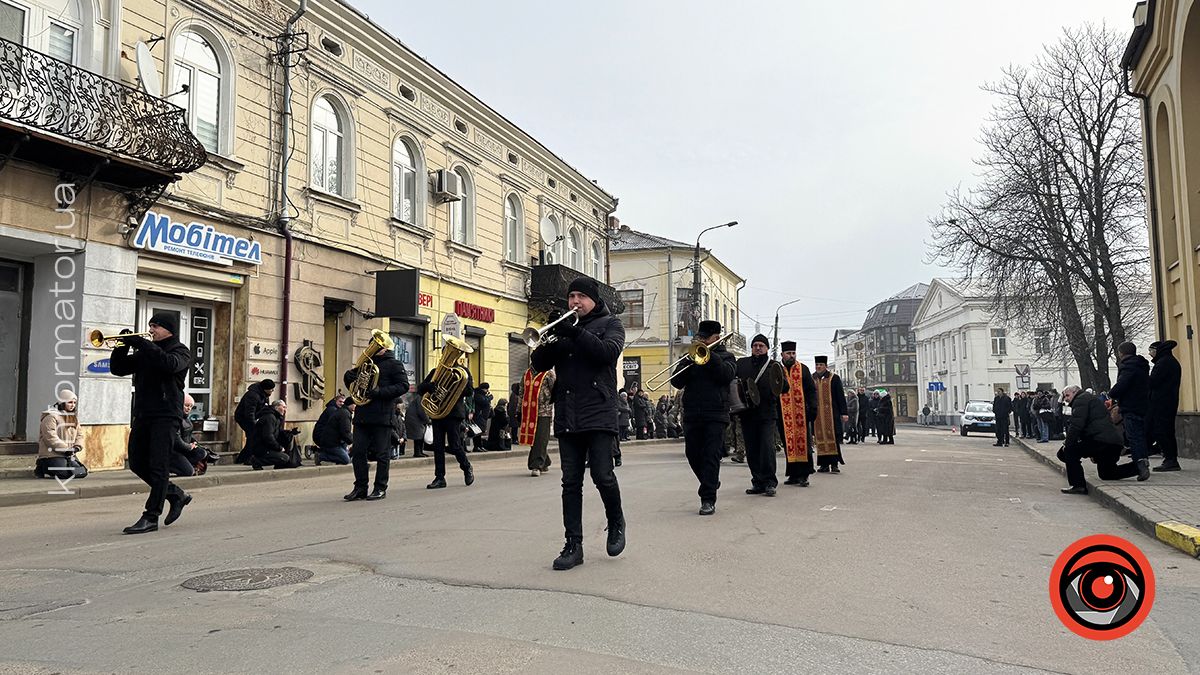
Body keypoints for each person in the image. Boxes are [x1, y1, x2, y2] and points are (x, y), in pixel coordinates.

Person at [530, 277, 626, 570]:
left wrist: (572, 332)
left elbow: (606, 353)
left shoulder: (612, 325)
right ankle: (573, 545)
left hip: (598, 412)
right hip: (568, 413)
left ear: (594, 300)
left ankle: (616, 521)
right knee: (570, 483)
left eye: (581, 297)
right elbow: (540, 363)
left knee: (602, 475)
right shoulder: (564, 330)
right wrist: (552, 337)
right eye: (571, 296)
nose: (575, 302)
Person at [108, 314, 193, 534]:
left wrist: (141, 343)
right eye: (150, 326)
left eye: (155, 326)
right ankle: (175, 494)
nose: (151, 329)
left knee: (159, 465)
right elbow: (118, 368)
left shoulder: (180, 351)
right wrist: (121, 346)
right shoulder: (147, 351)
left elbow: (168, 365)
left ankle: (151, 516)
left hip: (166, 415)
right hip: (144, 413)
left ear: (168, 329)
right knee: (137, 462)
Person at [670, 320, 736, 515]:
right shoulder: (690, 357)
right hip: (692, 413)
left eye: (703, 339)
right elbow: (676, 381)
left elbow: (726, 376)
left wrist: (710, 355)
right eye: (699, 338)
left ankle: (707, 498)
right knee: (692, 454)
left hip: (716, 414)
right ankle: (711, 481)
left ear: (715, 338)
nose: (699, 341)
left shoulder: (727, 357)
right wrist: (690, 361)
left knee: (711, 455)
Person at [342, 339, 410, 501]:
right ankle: (360, 487)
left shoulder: (395, 364)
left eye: (378, 346)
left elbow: (403, 386)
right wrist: (348, 377)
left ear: (385, 348)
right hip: (363, 415)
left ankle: (380, 488)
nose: (374, 348)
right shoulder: (366, 363)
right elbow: (354, 387)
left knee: (382, 454)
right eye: (372, 345)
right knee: (358, 452)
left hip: (382, 415)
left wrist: (379, 392)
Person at [1058, 385, 1147, 494]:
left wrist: (1068, 444)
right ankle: (1138, 467)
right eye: (1064, 397)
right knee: (1107, 473)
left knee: (1068, 452)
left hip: (1101, 440)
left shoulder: (1080, 400)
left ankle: (1078, 485)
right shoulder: (1089, 398)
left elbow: (1076, 425)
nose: (1066, 399)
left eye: (1067, 395)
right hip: (1112, 442)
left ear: (1075, 392)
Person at [734, 334, 788, 496]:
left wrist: (780, 382)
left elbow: (785, 388)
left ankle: (770, 482)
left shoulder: (774, 366)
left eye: (761, 345)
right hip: (747, 413)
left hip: (767, 414)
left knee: (767, 448)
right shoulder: (742, 364)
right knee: (752, 449)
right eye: (755, 345)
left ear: (767, 348)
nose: (758, 348)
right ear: (752, 347)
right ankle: (757, 481)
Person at [417, 352, 474, 490]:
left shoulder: (463, 371)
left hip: (453, 413)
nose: (448, 357)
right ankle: (440, 477)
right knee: (438, 446)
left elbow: (470, 391)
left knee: (455, 445)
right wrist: (429, 386)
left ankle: (467, 468)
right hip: (438, 413)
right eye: (447, 354)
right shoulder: (435, 372)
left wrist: (454, 387)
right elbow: (420, 389)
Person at [1108, 342, 1152, 481]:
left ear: (1121, 353)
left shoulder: (1128, 366)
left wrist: (1112, 393)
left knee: (1134, 437)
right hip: (1142, 404)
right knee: (1139, 435)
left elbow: (1122, 384)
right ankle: (1144, 462)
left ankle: (1140, 466)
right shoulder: (1141, 365)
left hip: (1130, 406)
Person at [778, 342, 817, 486]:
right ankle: (793, 474)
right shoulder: (777, 369)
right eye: (788, 353)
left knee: (803, 444)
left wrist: (812, 409)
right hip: (783, 413)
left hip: (801, 413)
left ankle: (804, 474)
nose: (791, 356)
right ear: (782, 354)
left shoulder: (803, 369)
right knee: (788, 444)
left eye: (793, 353)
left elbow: (811, 391)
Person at [35, 389, 87, 480]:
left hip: (68, 455)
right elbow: (50, 437)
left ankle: (51, 467)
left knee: (81, 472)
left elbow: (80, 435)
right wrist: (65, 449)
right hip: (51, 454)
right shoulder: (51, 417)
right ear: (62, 402)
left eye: (74, 403)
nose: (73, 405)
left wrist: (77, 447)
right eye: (70, 402)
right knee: (64, 474)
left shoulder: (73, 418)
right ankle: (42, 466)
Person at [1149, 340, 1182, 472]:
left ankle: (1170, 459)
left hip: (1163, 402)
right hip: (1167, 401)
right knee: (1166, 430)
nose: (1150, 354)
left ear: (1158, 351)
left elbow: (1152, 382)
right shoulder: (1168, 361)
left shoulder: (1164, 363)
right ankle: (1170, 458)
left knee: (1162, 430)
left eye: (1151, 351)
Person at [812, 356, 848, 472]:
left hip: (832, 413)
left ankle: (834, 464)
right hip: (817, 415)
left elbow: (840, 396)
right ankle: (824, 465)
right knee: (819, 439)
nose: (818, 367)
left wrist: (844, 412)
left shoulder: (834, 378)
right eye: (817, 365)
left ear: (826, 366)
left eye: (821, 365)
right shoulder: (813, 378)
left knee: (833, 437)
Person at [250, 399, 301, 469]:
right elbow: (268, 436)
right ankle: (257, 461)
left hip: (267, 446)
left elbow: (278, 432)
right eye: (283, 407)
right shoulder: (270, 418)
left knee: (288, 440)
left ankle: (280, 463)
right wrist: (278, 448)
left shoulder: (276, 417)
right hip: (261, 448)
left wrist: (290, 433)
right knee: (284, 458)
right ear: (276, 407)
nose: (285, 410)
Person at [169, 394, 213, 477]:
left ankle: (186, 464)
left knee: (202, 453)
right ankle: (168, 467)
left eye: (191, 406)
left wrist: (194, 443)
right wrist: (189, 447)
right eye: (186, 405)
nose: (189, 408)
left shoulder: (186, 419)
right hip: (173, 451)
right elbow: (176, 440)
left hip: (184, 449)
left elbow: (188, 434)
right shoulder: (174, 419)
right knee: (188, 472)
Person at [234, 378, 275, 463]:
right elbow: (249, 413)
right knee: (252, 437)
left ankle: (244, 458)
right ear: (265, 389)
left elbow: (264, 408)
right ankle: (244, 459)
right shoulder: (253, 395)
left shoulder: (264, 395)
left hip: (253, 417)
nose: (272, 391)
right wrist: (255, 425)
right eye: (271, 389)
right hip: (244, 418)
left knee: (253, 438)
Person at [525, 368, 555, 476]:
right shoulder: (527, 374)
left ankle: (536, 465)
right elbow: (521, 392)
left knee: (541, 438)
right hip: (528, 412)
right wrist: (518, 411)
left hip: (544, 412)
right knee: (533, 439)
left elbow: (555, 391)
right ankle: (545, 461)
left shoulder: (548, 374)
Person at [313, 395, 353, 465]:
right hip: (326, 439)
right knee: (346, 460)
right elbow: (344, 430)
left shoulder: (341, 411)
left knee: (345, 452)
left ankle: (339, 455)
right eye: (340, 401)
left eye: (343, 402)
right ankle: (321, 456)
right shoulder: (334, 410)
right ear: (335, 401)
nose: (342, 403)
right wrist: (353, 441)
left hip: (332, 439)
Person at [403, 393, 429, 459]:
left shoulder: (419, 398)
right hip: (414, 419)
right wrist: (427, 420)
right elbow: (421, 411)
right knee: (418, 436)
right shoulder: (421, 399)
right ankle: (417, 452)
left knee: (420, 436)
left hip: (415, 419)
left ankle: (420, 451)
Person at [471, 383, 493, 452]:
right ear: (483, 388)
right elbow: (484, 401)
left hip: (482, 416)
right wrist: (489, 397)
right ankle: (476, 446)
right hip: (478, 416)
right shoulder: (477, 394)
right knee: (477, 432)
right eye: (486, 389)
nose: (487, 390)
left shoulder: (482, 395)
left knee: (480, 432)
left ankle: (480, 446)